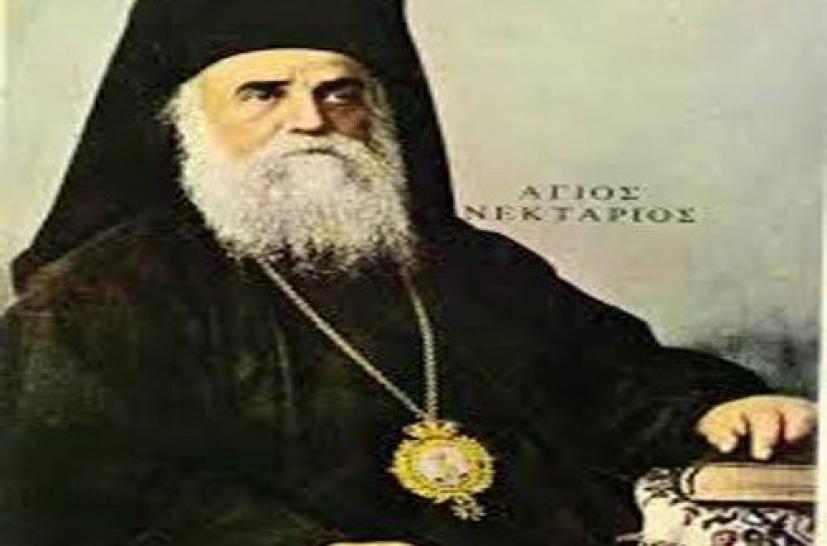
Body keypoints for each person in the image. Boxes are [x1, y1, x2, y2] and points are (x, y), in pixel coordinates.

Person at [0, 1, 816, 545]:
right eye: (263, 93)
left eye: (340, 93)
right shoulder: (103, 292)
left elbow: (610, 378)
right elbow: (70, 484)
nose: (310, 120)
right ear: (187, 124)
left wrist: (716, 405)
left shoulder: (471, 264)